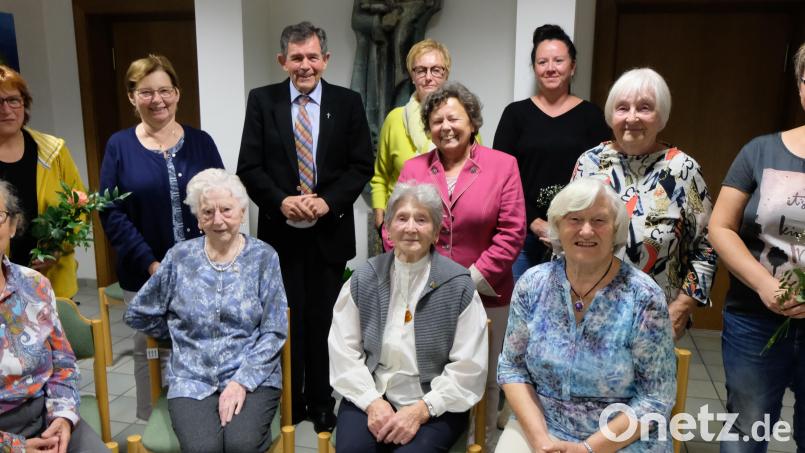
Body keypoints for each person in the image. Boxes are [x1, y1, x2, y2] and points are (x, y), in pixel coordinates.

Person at [236, 21, 373, 433]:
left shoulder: (348, 102)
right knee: (286, 321)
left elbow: (360, 165)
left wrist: (327, 201)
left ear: (325, 59)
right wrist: (281, 201)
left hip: (330, 234)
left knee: (325, 322)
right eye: (296, 58)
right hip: (281, 236)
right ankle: (291, 401)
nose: (305, 65)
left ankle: (322, 401)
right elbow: (249, 167)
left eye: (313, 57)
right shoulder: (262, 101)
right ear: (283, 61)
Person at [496, 178, 676, 453]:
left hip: (622, 436)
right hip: (542, 425)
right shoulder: (532, 284)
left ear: (616, 229)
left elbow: (656, 397)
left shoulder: (643, 296)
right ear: (557, 226)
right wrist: (541, 441)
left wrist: (588, 449)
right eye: (575, 219)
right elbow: (512, 368)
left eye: (599, 220)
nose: (587, 230)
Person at [394, 81, 525, 445]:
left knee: (484, 376)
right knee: (429, 370)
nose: (446, 127)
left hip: (487, 293)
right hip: (424, 292)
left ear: (472, 121)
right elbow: (396, 229)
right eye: (437, 120)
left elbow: (512, 231)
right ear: (428, 127)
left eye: (454, 118)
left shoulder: (503, 165)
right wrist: (426, 279)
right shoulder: (414, 168)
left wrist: (467, 281)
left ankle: (479, 442)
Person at [124, 169, 288, 453]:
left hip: (252, 374)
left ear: (242, 211)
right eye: (208, 212)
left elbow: (274, 330)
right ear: (198, 218)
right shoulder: (179, 257)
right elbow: (138, 311)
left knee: (241, 444)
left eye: (226, 210)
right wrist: (176, 335)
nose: (218, 220)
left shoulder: (264, 257)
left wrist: (241, 381)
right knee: (203, 448)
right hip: (191, 379)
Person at [99, 54, 224, 420]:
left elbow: (222, 200)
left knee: (204, 347)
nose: (157, 100)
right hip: (144, 274)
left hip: (203, 272)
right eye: (146, 92)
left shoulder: (201, 142)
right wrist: (152, 264)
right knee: (150, 351)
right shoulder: (119, 146)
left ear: (177, 93)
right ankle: (152, 425)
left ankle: (201, 423)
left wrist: (214, 256)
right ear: (132, 97)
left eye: (165, 91)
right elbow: (111, 211)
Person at [329, 181, 488, 452]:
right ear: (388, 228)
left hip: (435, 403)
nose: (411, 228)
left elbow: (469, 368)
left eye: (422, 219)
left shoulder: (458, 285)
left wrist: (421, 410)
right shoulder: (364, 279)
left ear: (436, 231)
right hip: (371, 392)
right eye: (402, 218)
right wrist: (372, 402)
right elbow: (343, 351)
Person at [708, 43, 805, 452]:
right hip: (754, 320)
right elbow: (720, 227)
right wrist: (765, 284)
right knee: (746, 434)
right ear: (800, 85)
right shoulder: (760, 151)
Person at [571, 67, 716, 339]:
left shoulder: (682, 169)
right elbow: (566, 236)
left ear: (661, 116)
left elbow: (707, 246)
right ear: (610, 114)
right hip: (586, 315)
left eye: (644, 108)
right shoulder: (589, 163)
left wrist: (683, 306)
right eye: (622, 108)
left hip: (654, 321)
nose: (632, 117)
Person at [494, 24, 610, 278]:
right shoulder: (515, 115)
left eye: (558, 60)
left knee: (571, 300)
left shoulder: (592, 116)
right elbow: (501, 179)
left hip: (579, 234)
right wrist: (534, 223)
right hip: (523, 234)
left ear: (572, 66)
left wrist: (569, 225)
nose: (550, 68)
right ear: (534, 68)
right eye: (542, 61)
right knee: (523, 300)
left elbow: (603, 179)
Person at [0, 181, 107, 452]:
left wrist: (63, 417)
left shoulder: (35, 285)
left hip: (45, 414)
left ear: (12, 225)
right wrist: (15, 447)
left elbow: (63, 362)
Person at [0, 64, 86, 298]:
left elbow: (80, 207)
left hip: (51, 282)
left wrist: (59, 248)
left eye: (13, 100)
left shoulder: (52, 151)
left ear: (24, 103)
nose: (6, 109)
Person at [370, 39, 453, 230]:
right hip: (400, 224)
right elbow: (380, 176)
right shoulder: (395, 119)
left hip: (446, 225)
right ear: (412, 76)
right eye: (421, 70)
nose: (428, 77)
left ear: (446, 74)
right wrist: (380, 221)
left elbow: (475, 175)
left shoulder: (460, 122)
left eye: (436, 70)